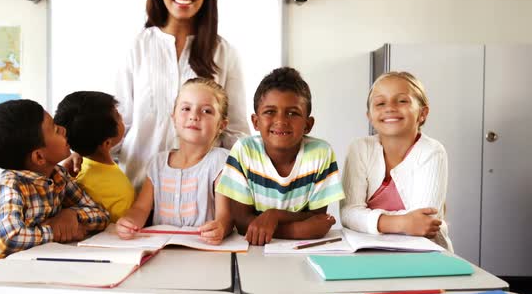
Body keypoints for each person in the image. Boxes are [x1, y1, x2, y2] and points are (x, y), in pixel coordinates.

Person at [65, 0, 249, 190]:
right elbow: (116, 124)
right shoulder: (136, 47)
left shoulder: (225, 53)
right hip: (137, 189)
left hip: (201, 197)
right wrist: (84, 153)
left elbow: (236, 133)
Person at [0, 100, 109, 280]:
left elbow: (101, 214)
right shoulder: (13, 186)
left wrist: (72, 216)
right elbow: (6, 238)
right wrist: (54, 232)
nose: (63, 129)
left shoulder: (58, 175)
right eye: (54, 129)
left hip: (25, 275)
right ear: (38, 157)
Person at [215, 67, 345, 246]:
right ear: (255, 122)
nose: (281, 121)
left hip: (302, 253)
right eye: (270, 111)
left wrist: (272, 216)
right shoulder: (244, 151)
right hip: (252, 251)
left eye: (293, 113)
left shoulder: (320, 154)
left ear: (308, 125)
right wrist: (298, 230)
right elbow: (243, 222)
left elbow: (317, 219)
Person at [340, 71, 453, 251]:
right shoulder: (359, 148)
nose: (390, 107)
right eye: (380, 103)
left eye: (402, 101)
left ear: (423, 113)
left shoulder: (432, 151)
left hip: (423, 254)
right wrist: (403, 223)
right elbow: (348, 214)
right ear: (369, 116)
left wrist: (369, 220)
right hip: (367, 253)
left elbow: (424, 222)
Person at [116, 78, 233, 245]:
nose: (194, 116)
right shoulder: (158, 163)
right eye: (186, 108)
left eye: (207, 111)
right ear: (174, 117)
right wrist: (129, 222)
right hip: (160, 250)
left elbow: (225, 216)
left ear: (221, 125)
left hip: (203, 251)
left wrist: (220, 227)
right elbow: (141, 209)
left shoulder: (221, 162)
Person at [54, 91, 134, 223]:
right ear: (107, 143)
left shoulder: (72, 171)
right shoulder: (121, 191)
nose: (122, 117)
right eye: (118, 116)